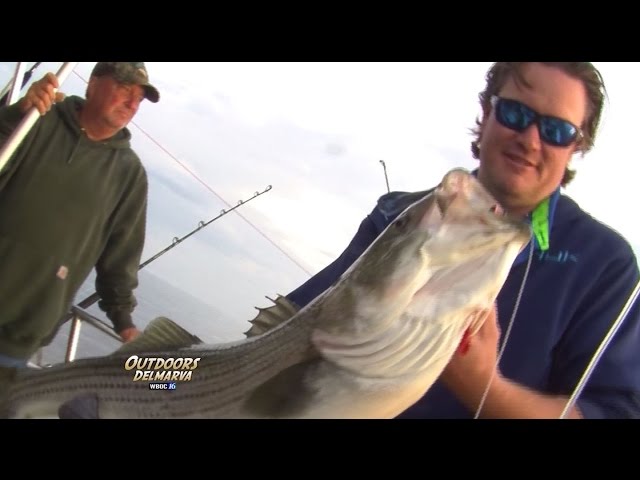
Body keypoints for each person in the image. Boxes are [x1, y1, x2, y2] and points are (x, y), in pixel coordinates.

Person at [283, 62, 640, 418]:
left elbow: (613, 411)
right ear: (486, 114)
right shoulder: (399, 217)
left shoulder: (606, 264)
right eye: (515, 113)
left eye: (556, 130)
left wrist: (484, 387)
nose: (530, 139)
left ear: (576, 146)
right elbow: (293, 330)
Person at [0, 62, 159, 379]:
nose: (131, 104)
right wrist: (13, 117)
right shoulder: (36, 119)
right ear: (93, 82)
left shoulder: (129, 174)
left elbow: (121, 257)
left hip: (19, 339)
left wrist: (124, 323)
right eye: (125, 89)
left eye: (139, 98)